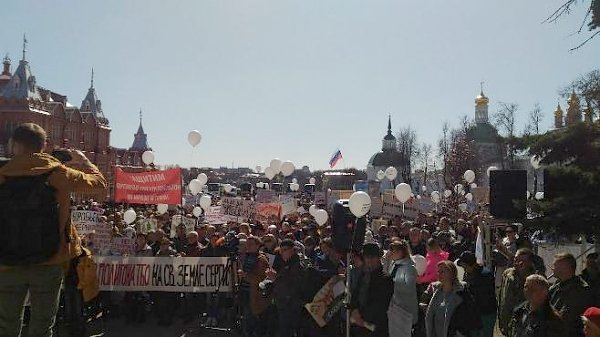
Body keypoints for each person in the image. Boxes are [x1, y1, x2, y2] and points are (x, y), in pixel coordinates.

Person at [0, 123, 107, 337]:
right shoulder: (58, 173)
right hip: (50, 259)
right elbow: (100, 186)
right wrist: (85, 162)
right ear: (44, 146)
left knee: (7, 325)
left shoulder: (3, 174)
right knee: (43, 325)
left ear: (14, 145)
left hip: (7, 261)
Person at [422, 260, 481, 337]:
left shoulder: (462, 293)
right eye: (438, 271)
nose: (439, 274)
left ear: (451, 273)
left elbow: (470, 316)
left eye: (442, 271)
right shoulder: (435, 292)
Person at [350, 243, 394, 337]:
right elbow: (354, 295)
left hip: (375, 327)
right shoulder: (362, 275)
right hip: (358, 326)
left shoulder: (386, 279)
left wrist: (363, 319)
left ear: (378, 258)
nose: (370, 260)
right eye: (367, 257)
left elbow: (381, 305)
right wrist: (354, 310)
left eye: (373, 257)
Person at [266, 239, 305, 337]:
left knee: (288, 330)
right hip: (283, 302)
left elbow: (293, 286)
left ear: (293, 249)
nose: (282, 252)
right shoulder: (287, 263)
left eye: (285, 249)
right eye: (281, 250)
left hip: (291, 303)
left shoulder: (297, 264)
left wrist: (275, 278)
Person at [549, 252, 593, 337]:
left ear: (564, 267)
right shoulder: (557, 285)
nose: (552, 268)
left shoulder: (579, 290)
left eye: (555, 265)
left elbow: (564, 319)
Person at [498, 248, 537, 336]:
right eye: (516, 259)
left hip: (522, 326)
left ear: (530, 262)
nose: (517, 263)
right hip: (506, 321)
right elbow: (502, 297)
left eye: (522, 261)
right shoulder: (507, 274)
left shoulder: (534, 279)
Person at [457, 251, 496, 337]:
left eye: (465, 266)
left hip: (485, 313)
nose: (464, 269)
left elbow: (485, 298)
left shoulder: (485, 275)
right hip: (473, 314)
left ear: (472, 264)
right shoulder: (467, 274)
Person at [237, 236, 270, 337]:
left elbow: (261, 278)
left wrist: (246, 276)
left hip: (254, 294)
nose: (248, 246)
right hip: (244, 291)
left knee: (252, 318)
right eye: (247, 244)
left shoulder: (262, 259)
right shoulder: (246, 256)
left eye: (251, 244)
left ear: (257, 245)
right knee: (245, 317)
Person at [387, 240, 419, 328]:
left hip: (405, 308)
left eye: (393, 251)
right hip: (393, 307)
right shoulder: (394, 264)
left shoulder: (409, 268)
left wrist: (393, 285)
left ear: (400, 252)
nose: (391, 253)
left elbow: (409, 289)